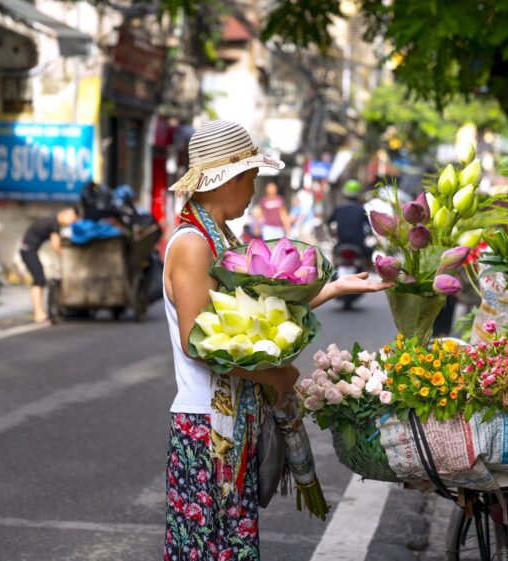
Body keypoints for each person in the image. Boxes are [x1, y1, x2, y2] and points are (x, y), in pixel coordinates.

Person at [162, 121, 392, 561]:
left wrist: (337, 289)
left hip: (229, 425)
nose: (253, 189)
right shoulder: (193, 245)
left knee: (230, 544)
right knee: (209, 548)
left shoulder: (221, 239)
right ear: (225, 179)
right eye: (249, 178)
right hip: (207, 429)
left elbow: (265, 317)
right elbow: (199, 343)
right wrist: (278, 373)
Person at [19, 207, 78, 323]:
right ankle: (37, 313)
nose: (71, 223)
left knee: (40, 279)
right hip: (27, 250)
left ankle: (39, 311)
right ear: (66, 214)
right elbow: (55, 245)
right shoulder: (54, 223)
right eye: (72, 220)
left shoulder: (51, 221)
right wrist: (66, 258)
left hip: (29, 250)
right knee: (39, 279)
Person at [327, 179, 372, 257]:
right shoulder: (361, 210)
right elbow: (368, 227)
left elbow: (328, 223)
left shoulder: (338, 209)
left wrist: (333, 234)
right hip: (359, 245)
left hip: (341, 243)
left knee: (333, 257)